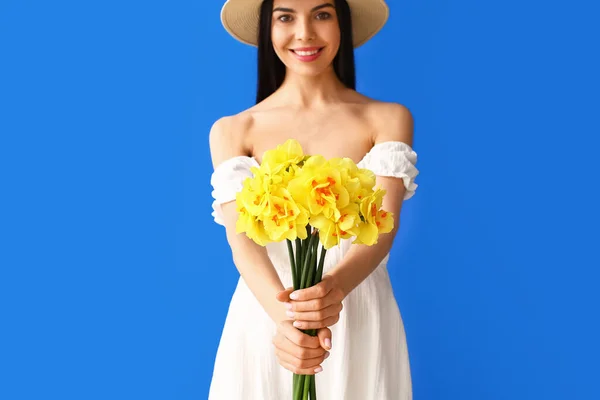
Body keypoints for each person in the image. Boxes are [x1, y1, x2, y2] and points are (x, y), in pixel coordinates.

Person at [208, 0, 419, 398]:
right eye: (285, 17)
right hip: (268, 316)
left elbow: (382, 230)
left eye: (322, 14)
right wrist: (287, 324)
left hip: (355, 310)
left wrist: (331, 294)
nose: (304, 33)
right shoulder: (233, 130)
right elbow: (244, 246)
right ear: (267, 30)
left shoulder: (387, 119)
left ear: (343, 23)